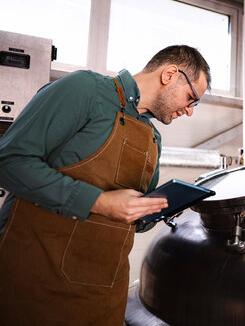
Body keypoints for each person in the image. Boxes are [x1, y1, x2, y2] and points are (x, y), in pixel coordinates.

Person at [0, 45, 211, 325]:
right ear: (170, 74)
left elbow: (132, 216)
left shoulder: (153, 138)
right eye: (191, 98)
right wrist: (98, 202)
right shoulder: (85, 90)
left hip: (104, 299)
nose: (189, 111)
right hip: (34, 286)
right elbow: (10, 160)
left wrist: (157, 209)